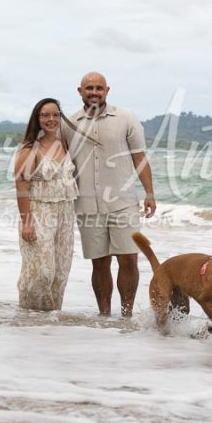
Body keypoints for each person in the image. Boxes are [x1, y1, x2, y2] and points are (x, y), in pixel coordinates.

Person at [65, 72, 156, 317]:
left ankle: (126, 316)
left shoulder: (126, 118)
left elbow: (139, 157)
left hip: (123, 202)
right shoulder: (69, 123)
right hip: (86, 204)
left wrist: (149, 193)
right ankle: (104, 316)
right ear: (80, 91)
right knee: (99, 263)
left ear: (107, 90)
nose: (94, 92)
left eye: (99, 88)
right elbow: (61, 161)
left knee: (128, 259)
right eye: (89, 88)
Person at [14, 98, 79, 311]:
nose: (51, 119)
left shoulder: (65, 143)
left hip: (65, 214)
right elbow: (21, 186)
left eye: (55, 114)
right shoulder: (30, 149)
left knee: (60, 272)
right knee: (43, 271)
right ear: (37, 118)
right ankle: (28, 314)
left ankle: (51, 320)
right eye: (45, 115)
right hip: (39, 212)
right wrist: (27, 223)